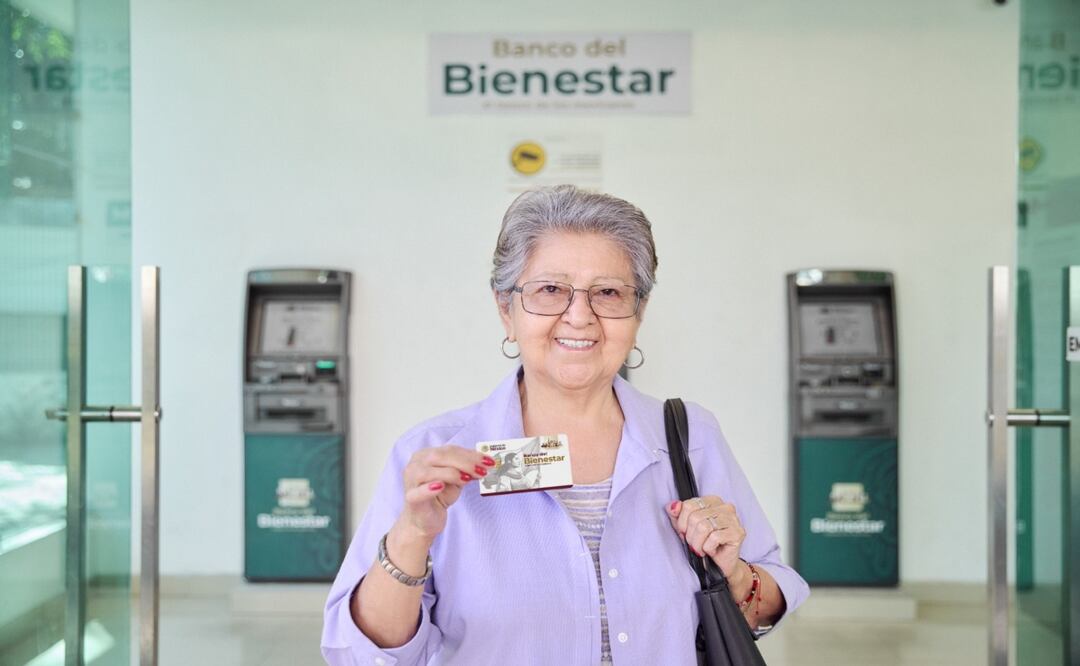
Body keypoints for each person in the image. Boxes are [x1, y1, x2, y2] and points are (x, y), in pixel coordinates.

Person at [322, 185, 809, 665]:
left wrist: (735, 574)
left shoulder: (689, 437)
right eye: (550, 290)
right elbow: (359, 653)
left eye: (608, 293)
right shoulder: (435, 452)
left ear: (638, 312)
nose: (579, 317)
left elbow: (768, 601)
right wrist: (412, 534)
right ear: (506, 309)